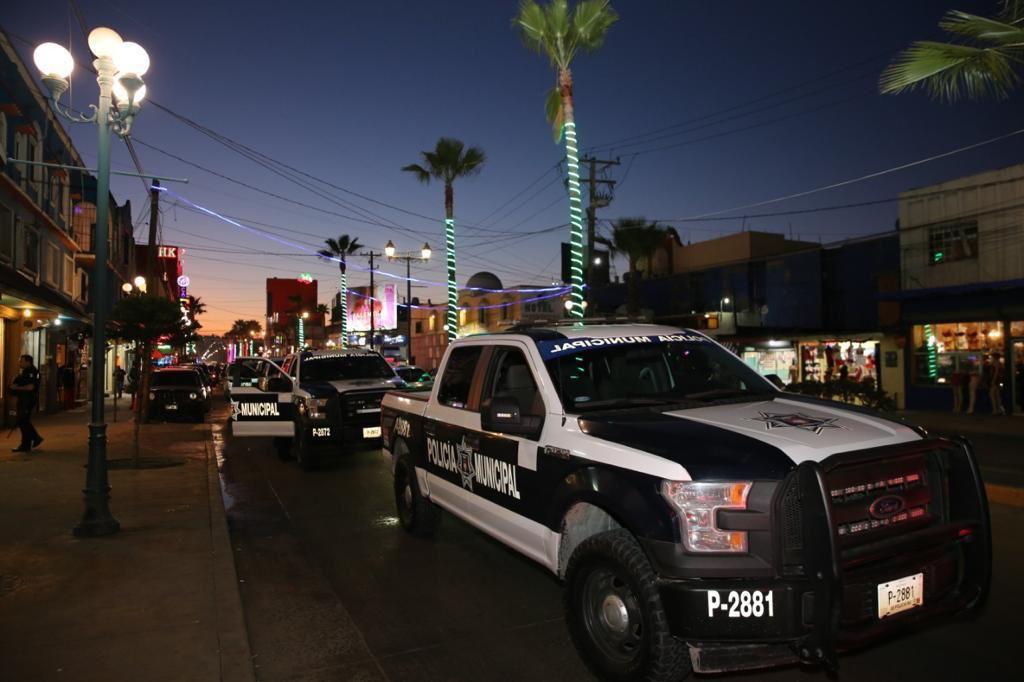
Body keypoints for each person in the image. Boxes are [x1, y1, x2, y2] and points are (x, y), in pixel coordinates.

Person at [8, 354, 43, 453]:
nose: (20, 363)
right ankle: (27, 444)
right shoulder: (25, 372)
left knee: (23, 421)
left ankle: (34, 439)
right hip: (24, 399)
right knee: (23, 421)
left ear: (28, 362)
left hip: (28, 400)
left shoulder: (32, 372)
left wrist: (17, 388)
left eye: (21, 361)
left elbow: (31, 387)